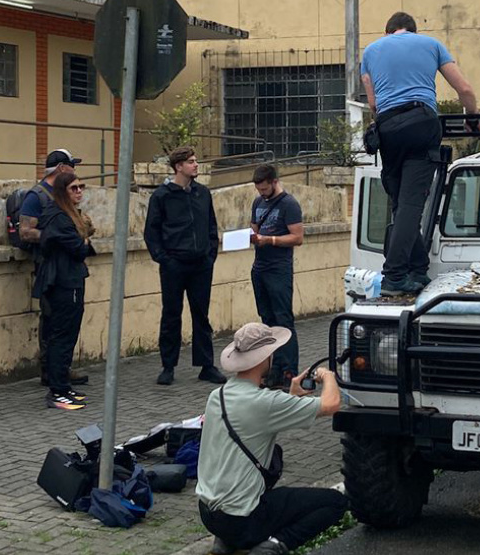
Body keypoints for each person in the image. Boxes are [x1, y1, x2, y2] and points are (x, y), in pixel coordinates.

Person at [197, 323, 347, 555]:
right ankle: (271, 547)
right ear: (263, 358)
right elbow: (331, 404)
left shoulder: (217, 396)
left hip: (209, 514)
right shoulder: (265, 403)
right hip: (242, 518)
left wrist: (291, 397)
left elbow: (257, 416)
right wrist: (328, 377)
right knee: (334, 502)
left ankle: (227, 542)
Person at [361, 11, 480, 296]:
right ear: (412, 31)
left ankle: (417, 268)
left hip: (388, 128)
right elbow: (464, 88)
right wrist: (472, 117)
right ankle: (394, 276)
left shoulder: (371, 51)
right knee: (412, 205)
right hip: (421, 122)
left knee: (401, 203)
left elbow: (374, 104)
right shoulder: (432, 44)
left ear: (388, 32)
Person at [144, 146, 226, 386]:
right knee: (171, 314)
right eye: (191, 162)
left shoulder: (202, 193)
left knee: (201, 314)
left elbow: (211, 226)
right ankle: (168, 366)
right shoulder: (162, 196)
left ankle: (206, 365)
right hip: (174, 265)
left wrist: (211, 254)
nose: (196, 165)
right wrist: (164, 259)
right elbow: (151, 232)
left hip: (201, 264)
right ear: (178, 166)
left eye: (195, 161)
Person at [19, 148, 89, 387]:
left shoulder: (64, 196)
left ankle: (61, 370)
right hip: (50, 267)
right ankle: (50, 373)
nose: (75, 176)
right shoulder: (36, 196)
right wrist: (58, 236)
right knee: (52, 322)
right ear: (61, 169)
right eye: (72, 166)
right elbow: (26, 231)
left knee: (67, 323)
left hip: (69, 266)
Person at [32, 172, 96, 410]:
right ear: (62, 192)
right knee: (60, 335)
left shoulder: (68, 215)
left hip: (72, 278)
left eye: (81, 187)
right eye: (73, 188)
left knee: (69, 334)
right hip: (62, 282)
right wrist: (84, 241)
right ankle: (57, 390)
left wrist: (83, 242)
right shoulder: (58, 216)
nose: (79, 192)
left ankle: (63, 385)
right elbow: (78, 249)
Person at [249, 165, 304, 389]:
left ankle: (289, 370)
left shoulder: (289, 204)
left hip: (279, 269)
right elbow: (254, 228)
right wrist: (252, 237)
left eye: (264, 188)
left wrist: (269, 240)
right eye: (258, 189)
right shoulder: (257, 202)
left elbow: (297, 237)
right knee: (267, 320)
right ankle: (273, 368)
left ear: (274, 182)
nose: (262, 193)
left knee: (283, 320)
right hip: (260, 267)